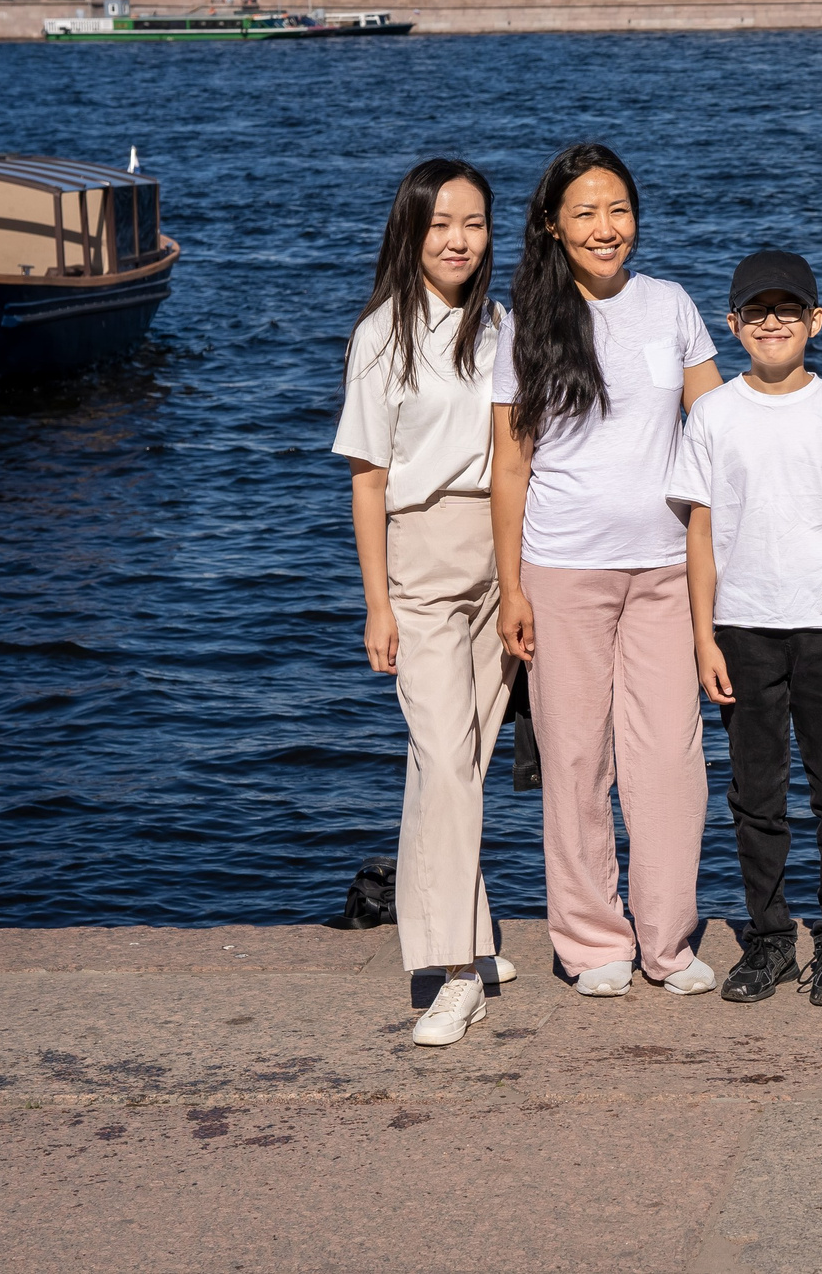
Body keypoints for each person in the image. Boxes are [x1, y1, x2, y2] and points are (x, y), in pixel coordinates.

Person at [492, 143, 722, 999]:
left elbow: (718, 420)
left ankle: (667, 941)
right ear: (553, 224)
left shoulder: (671, 305)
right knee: (577, 757)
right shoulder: (523, 323)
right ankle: (594, 943)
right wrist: (512, 586)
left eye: (617, 209)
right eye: (585, 212)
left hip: (666, 569)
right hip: (562, 571)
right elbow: (509, 467)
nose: (604, 227)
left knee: (669, 756)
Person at [335, 158, 517, 1047]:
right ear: (410, 229)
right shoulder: (382, 335)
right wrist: (378, 605)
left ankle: (468, 936)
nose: (457, 239)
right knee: (443, 756)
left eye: (474, 224)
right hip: (421, 555)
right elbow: (368, 482)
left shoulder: (499, 327)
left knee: (459, 761)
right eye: (441, 223)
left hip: (500, 550)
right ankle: (453, 971)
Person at [666, 250, 822, 1009]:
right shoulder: (714, 413)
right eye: (757, 311)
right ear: (733, 325)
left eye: (790, 309)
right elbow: (700, 532)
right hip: (744, 628)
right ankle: (768, 939)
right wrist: (703, 636)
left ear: (816, 322)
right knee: (755, 794)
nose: (774, 322)